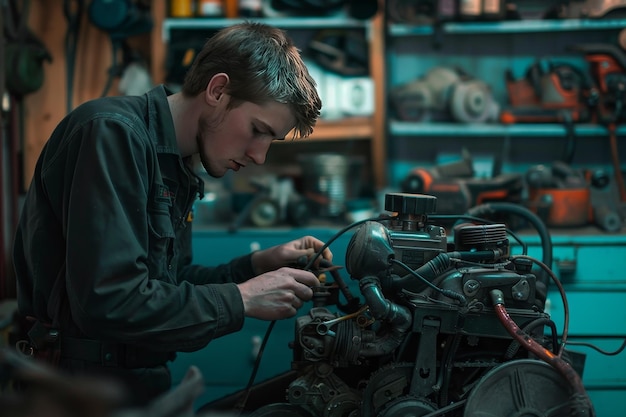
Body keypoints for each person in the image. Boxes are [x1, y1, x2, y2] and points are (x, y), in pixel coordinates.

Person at [12, 21, 331, 406]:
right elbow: (109, 302)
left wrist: (255, 267)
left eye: (271, 140)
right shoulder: (111, 134)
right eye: (257, 129)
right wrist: (241, 298)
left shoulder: (176, 166)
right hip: (77, 394)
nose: (258, 156)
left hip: (136, 383)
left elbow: (167, 285)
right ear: (218, 90)